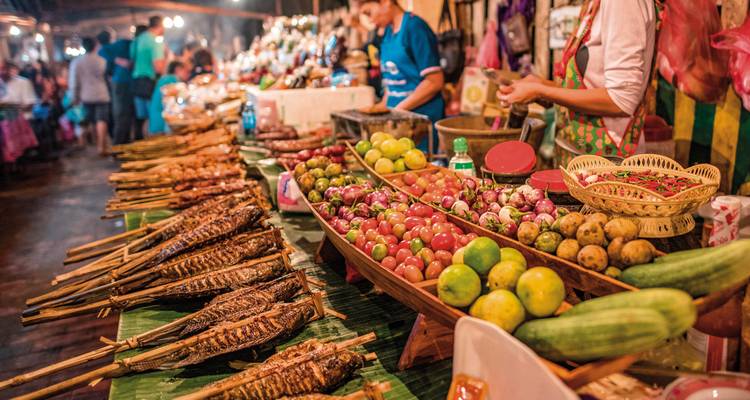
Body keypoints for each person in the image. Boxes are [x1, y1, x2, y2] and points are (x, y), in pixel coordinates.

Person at [497, 0, 656, 163]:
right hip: (578, 156)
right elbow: (591, 87)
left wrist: (541, 91)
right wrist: (541, 85)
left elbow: (621, 101)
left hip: (607, 166)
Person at [360, 0, 445, 154]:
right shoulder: (388, 32)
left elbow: (434, 81)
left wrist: (399, 109)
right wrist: (382, 108)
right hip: (398, 123)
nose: (370, 20)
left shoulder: (415, 27)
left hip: (419, 124)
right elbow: (393, 78)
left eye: (368, 13)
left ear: (385, 2)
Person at [70, 37, 111, 155]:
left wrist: (74, 97)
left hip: (86, 96)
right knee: (102, 120)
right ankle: (101, 146)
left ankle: (89, 141)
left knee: (90, 120)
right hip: (102, 94)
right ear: (95, 46)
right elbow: (108, 78)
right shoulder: (102, 61)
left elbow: (74, 81)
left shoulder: (77, 62)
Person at [99, 28, 137, 145]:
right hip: (121, 84)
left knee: (127, 115)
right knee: (122, 116)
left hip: (125, 83)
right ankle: (118, 147)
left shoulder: (127, 44)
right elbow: (102, 51)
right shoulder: (123, 44)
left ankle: (124, 144)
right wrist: (119, 60)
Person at [131, 16, 166, 139]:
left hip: (136, 81)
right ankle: (150, 142)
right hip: (148, 82)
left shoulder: (138, 39)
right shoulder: (155, 41)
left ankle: (142, 142)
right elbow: (158, 67)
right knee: (152, 115)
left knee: (142, 117)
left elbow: (132, 59)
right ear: (160, 26)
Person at [0, 61, 39, 163]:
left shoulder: (23, 82)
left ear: (9, 69)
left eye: (3, 69)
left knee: (7, 127)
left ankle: (15, 158)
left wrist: (11, 107)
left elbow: (30, 105)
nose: (1, 72)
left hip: (24, 118)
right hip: (6, 120)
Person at [149, 61, 190, 135]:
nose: (188, 75)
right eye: (186, 71)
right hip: (162, 123)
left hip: (155, 122)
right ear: (178, 69)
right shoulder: (172, 81)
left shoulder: (164, 79)